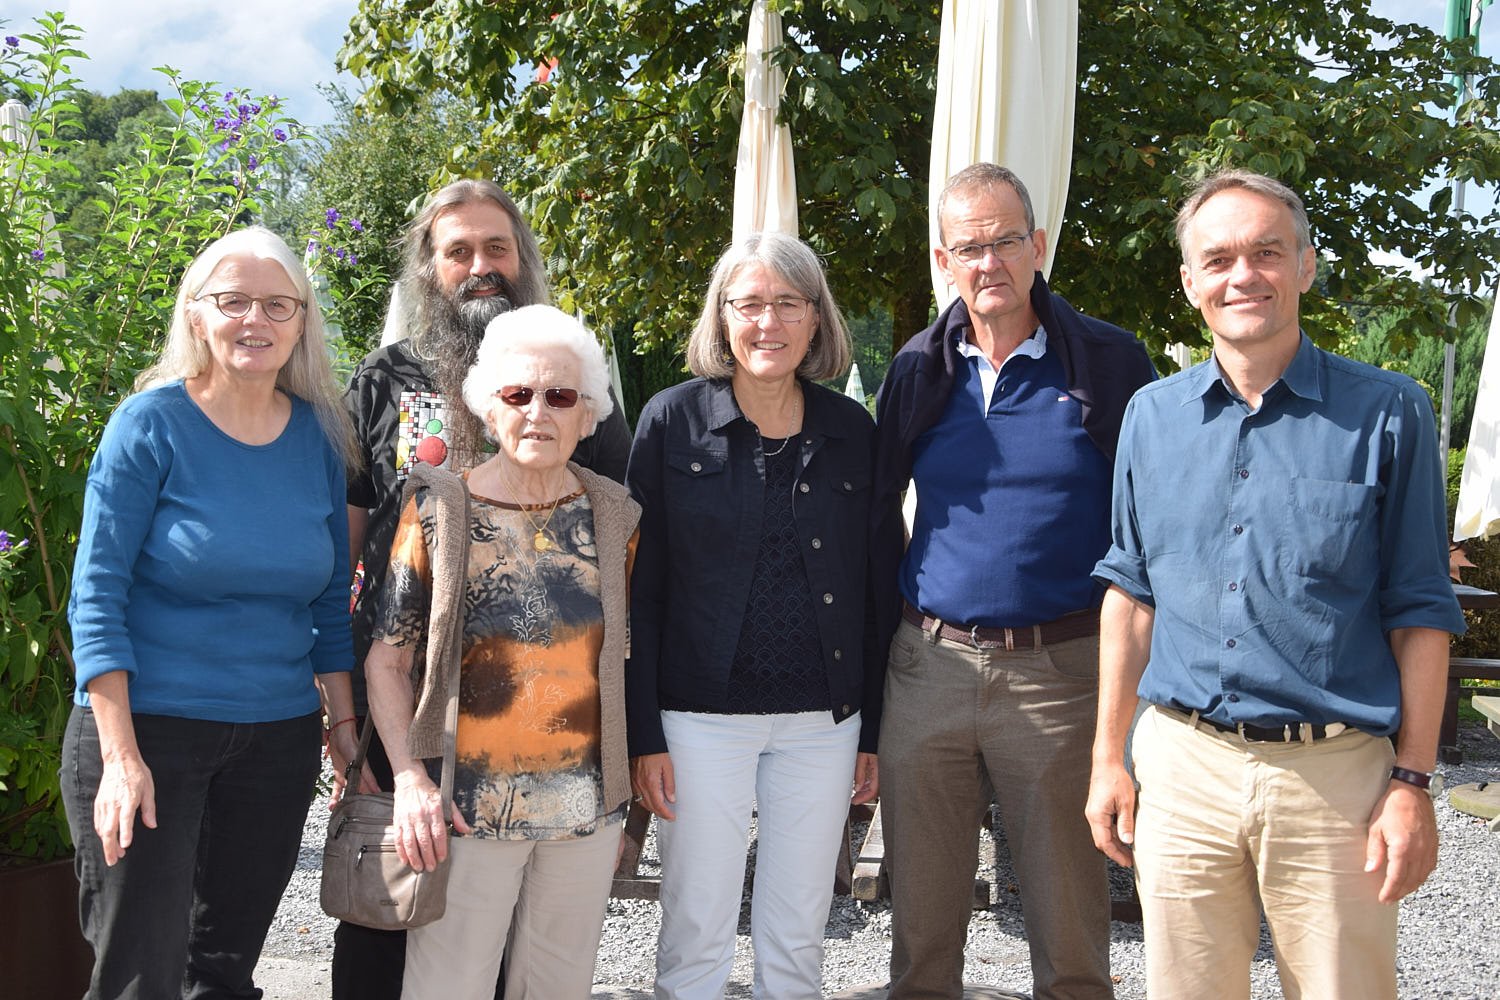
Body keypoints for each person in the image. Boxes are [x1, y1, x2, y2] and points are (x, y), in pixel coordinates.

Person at [1086, 169, 1466, 1000]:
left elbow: (1420, 611)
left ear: (1306, 265)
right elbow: (1132, 597)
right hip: (1182, 768)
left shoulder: (1389, 412)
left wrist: (1412, 783)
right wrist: (1109, 758)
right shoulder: (1151, 416)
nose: (1243, 275)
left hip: (1335, 779)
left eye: (1266, 252)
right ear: (1190, 282)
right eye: (1218, 259)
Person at [335, 178, 632, 997]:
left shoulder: (574, 377)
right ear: (428, 268)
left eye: (496, 248)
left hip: (541, 723)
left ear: (522, 258)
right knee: (385, 909)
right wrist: (343, 709)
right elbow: (341, 556)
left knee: (507, 947)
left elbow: (618, 553)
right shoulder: (383, 379)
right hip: (404, 696)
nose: (479, 266)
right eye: (457, 251)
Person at [871, 162, 1155, 1000]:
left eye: (1005, 241)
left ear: (1039, 245)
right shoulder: (918, 369)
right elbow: (876, 510)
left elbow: (1149, 526)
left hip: (1060, 673)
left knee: (1070, 927)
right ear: (943, 261)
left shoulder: (1108, 362)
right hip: (928, 667)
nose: (988, 261)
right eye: (969, 247)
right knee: (922, 927)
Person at [63, 226, 363, 999]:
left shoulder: (319, 437)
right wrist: (121, 758)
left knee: (224, 973)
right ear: (196, 314)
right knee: (140, 977)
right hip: (148, 730)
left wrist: (343, 727)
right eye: (233, 301)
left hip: (275, 742)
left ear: (300, 323)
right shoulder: (149, 425)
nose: (255, 320)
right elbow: (96, 595)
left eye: (277, 304)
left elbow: (330, 600)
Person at [627, 232, 899, 999]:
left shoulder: (853, 431)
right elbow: (638, 592)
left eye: (788, 304)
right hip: (697, 720)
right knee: (695, 927)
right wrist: (644, 734)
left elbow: (878, 592)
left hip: (823, 723)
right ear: (722, 317)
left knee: (797, 933)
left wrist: (872, 732)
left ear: (816, 318)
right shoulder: (671, 421)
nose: (768, 322)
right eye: (749, 304)